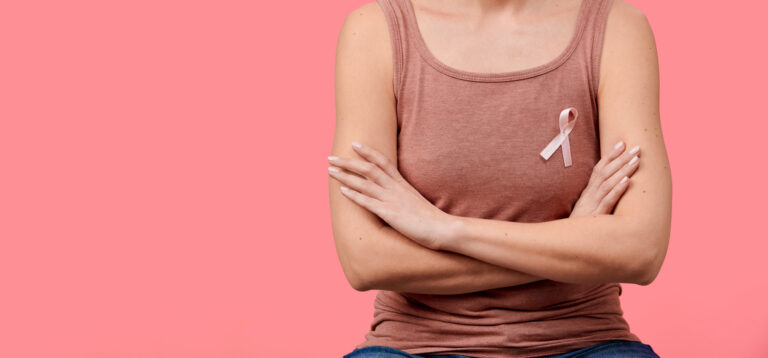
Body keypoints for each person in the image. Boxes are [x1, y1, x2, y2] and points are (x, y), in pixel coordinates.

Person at [328, 0, 672, 357]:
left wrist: (445, 230)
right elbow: (365, 260)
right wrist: (571, 242)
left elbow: (640, 251)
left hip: (586, 342)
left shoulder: (617, 28)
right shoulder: (374, 31)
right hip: (415, 347)